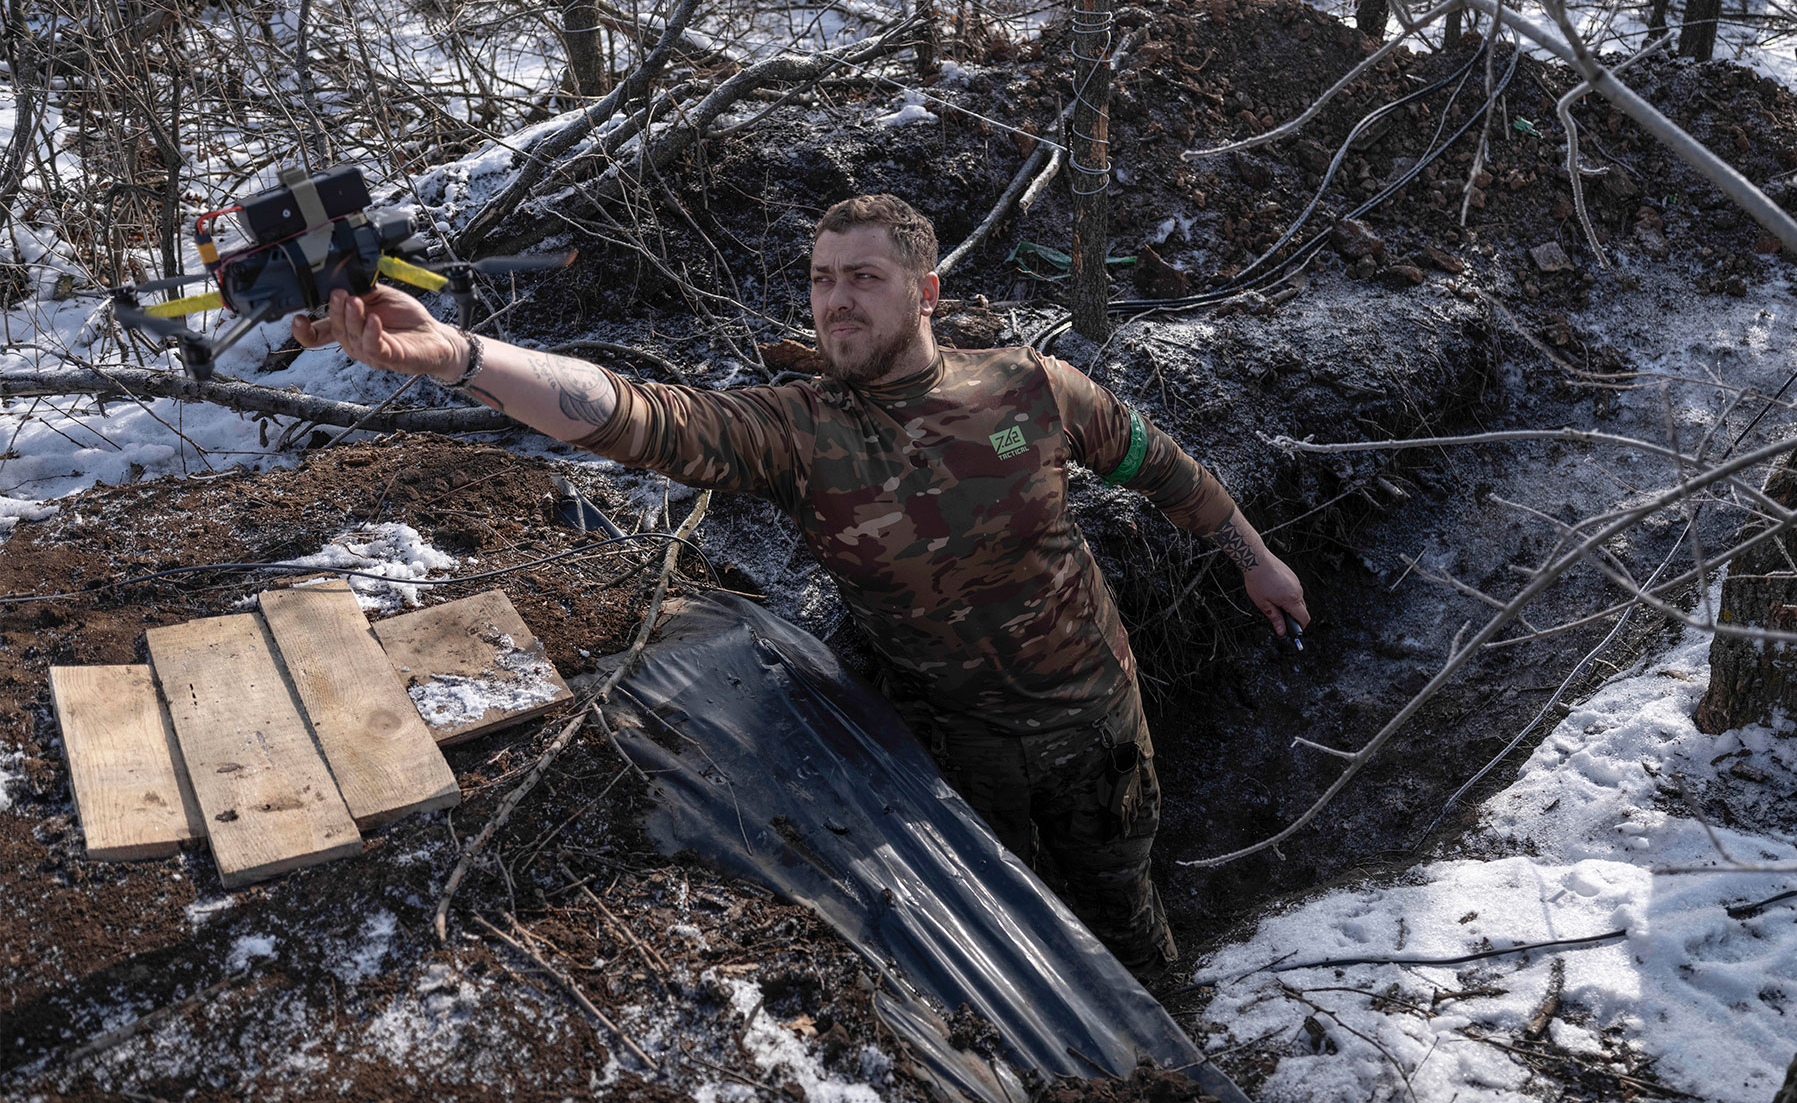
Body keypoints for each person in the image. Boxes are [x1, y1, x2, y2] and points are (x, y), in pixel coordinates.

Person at [295, 193, 1307, 979]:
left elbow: (1160, 465)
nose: (835, 301)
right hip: (946, 764)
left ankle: (1175, 1065)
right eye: (821, 279)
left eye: (864, 277)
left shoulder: (1028, 388)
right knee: (1014, 941)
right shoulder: (799, 429)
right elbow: (640, 417)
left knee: (1125, 909)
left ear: (927, 293)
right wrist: (462, 356)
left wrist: (1255, 557)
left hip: (1095, 722)